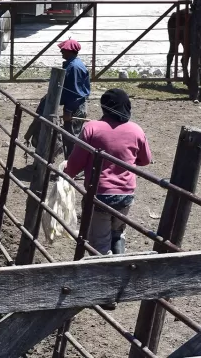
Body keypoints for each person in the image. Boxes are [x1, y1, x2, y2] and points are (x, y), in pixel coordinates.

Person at [64, 88, 152, 259]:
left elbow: (76, 162)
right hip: (125, 196)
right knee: (117, 234)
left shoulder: (92, 128)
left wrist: (68, 172)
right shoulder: (136, 130)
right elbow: (145, 159)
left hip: (99, 195)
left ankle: (106, 273)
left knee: (99, 244)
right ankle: (120, 268)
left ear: (104, 107)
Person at [57, 38, 90, 157]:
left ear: (69, 51)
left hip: (75, 106)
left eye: (63, 50)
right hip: (76, 105)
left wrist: (68, 110)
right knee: (70, 137)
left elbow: (74, 92)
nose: (61, 52)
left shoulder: (73, 68)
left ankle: (73, 164)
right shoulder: (74, 65)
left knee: (72, 138)